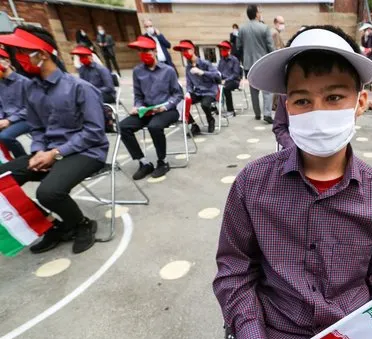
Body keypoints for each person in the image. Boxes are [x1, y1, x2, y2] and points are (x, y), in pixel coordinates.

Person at [206, 25, 372, 339]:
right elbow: (234, 270)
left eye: (334, 97)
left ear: (360, 101)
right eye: (302, 100)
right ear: (286, 108)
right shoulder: (252, 184)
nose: (319, 112)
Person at [0, 26, 108, 254]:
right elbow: (37, 128)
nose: (15, 60)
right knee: (3, 181)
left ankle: (82, 224)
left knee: (48, 192)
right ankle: (52, 225)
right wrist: (39, 151)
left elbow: (94, 133)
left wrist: (55, 153)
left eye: (20, 52)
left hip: (87, 152)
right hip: (48, 151)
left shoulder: (80, 88)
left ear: (42, 55)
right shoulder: (31, 89)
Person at [119, 36, 183, 180]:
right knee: (123, 127)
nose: (144, 54)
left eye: (146, 51)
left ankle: (162, 161)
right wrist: (138, 106)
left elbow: (178, 94)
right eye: (141, 51)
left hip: (167, 110)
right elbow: (138, 94)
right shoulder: (137, 71)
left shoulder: (168, 70)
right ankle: (143, 162)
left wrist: (165, 107)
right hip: (146, 110)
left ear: (154, 51)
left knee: (154, 126)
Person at [238, 4, 275, 124]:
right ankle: (267, 114)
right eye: (259, 11)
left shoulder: (242, 29)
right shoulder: (264, 28)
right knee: (267, 90)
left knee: (253, 90)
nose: (260, 13)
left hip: (248, 64)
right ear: (256, 14)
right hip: (262, 63)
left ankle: (257, 114)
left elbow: (238, 46)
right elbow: (271, 47)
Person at [173, 40, 221, 134]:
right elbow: (189, 82)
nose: (184, 53)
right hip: (198, 92)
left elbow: (217, 76)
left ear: (192, 50)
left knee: (205, 104)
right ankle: (194, 125)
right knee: (181, 103)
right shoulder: (188, 67)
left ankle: (210, 120)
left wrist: (202, 72)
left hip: (210, 91)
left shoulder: (205, 63)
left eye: (186, 50)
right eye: (182, 51)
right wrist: (188, 92)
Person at [0, 47, 31, 158]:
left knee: (5, 136)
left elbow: (31, 108)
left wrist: (9, 120)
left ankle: (23, 161)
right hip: (6, 120)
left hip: (26, 119)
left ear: (7, 62)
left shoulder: (24, 82)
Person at [217, 40, 242, 117]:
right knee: (211, 86)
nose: (222, 51)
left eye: (224, 49)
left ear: (229, 50)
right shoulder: (221, 60)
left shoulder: (234, 60)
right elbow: (218, 71)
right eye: (221, 50)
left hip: (234, 81)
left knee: (225, 88)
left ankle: (231, 111)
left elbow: (235, 74)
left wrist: (226, 80)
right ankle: (214, 108)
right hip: (223, 80)